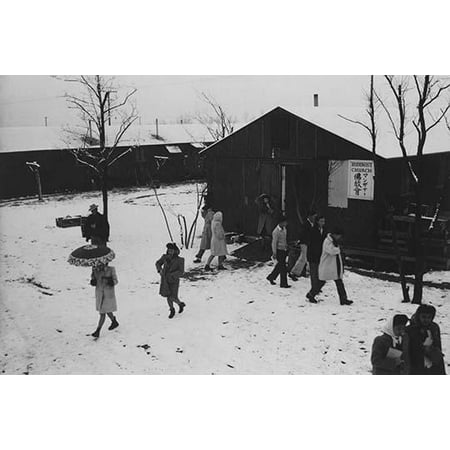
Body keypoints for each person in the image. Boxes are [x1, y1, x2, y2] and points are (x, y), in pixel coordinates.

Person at [403, 304, 446, 375]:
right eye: (423, 317)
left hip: (433, 364)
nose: (426, 320)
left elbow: (438, 346)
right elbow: (407, 351)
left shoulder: (434, 327)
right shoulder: (410, 330)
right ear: (418, 316)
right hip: (416, 365)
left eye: (429, 317)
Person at [317, 227, 352, 305]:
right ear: (335, 235)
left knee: (339, 282)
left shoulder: (333, 241)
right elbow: (331, 251)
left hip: (334, 266)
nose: (339, 238)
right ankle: (311, 294)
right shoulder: (327, 241)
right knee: (321, 282)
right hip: (327, 266)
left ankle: (343, 299)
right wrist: (339, 249)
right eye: (339, 236)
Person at [156, 243, 186, 319]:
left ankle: (180, 304)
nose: (170, 252)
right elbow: (158, 263)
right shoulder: (165, 257)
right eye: (169, 250)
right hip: (165, 280)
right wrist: (160, 270)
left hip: (174, 281)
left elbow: (181, 271)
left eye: (172, 251)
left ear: (176, 251)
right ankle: (172, 309)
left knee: (173, 297)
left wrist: (172, 275)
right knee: (168, 296)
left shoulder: (180, 260)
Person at [90, 262, 119, 339]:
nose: (99, 265)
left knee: (102, 313)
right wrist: (93, 280)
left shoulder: (111, 269)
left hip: (108, 294)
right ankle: (114, 321)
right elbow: (94, 281)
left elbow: (116, 281)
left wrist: (110, 281)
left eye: (101, 264)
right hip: (100, 294)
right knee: (107, 310)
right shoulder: (95, 270)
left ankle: (98, 331)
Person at [288, 210, 317, 281]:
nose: (314, 218)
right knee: (303, 258)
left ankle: (307, 271)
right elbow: (302, 234)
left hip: (309, 243)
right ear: (310, 216)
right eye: (314, 216)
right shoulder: (305, 224)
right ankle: (293, 272)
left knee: (306, 257)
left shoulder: (312, 224)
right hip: (304, 242)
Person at [305, 215, 327, 299]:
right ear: (317, 221)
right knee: (314, 273)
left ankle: (315, 289)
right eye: (321, 221)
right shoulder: (312, 230)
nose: (322, 223)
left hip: (321, 255)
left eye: (323, 221)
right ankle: (313, 290)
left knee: (319, 273)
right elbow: (310, 243)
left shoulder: (324, 230)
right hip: (313, 254)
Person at [266, 216, 291, 288]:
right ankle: (283, 283)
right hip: (279, 250)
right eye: (285, 222)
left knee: (280, 266)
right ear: (281, 222)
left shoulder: (284, 229)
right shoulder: (276, 232)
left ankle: (271, 277)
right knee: (283, 267)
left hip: (284, 250)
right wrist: (274, 253)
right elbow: (274, 243)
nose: (286, 223)